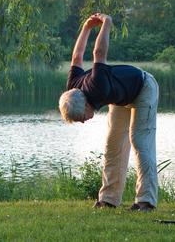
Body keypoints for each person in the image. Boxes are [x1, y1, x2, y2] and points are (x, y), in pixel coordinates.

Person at [59, 13, 159, 211]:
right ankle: (108, 199)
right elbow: (77, 56)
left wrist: (107, 23)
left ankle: (146, 201)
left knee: (140, 140)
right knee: (113, 145)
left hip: (144, 88)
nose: (84, 122)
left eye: (81, 119)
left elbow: (98, 53)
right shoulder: (73, 87)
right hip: (120, 97)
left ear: (86, 105)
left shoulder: (96, 86)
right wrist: (86, 27)